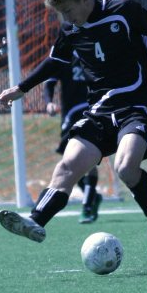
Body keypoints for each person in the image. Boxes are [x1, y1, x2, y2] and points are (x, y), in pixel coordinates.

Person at [0, 0, 147, 265]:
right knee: (68, 164)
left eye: (68, 10)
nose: (66, 18)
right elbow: (55, 62)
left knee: (126, 167)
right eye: (60, 13)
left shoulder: (122, 9)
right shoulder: (70, 28)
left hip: (137, 107)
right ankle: (36, 220)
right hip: (100, 111)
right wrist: (21, 88)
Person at [43, 56, 102, 223]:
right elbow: (49, 82)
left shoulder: (96, 49)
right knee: (70, 163)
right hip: (70, 115)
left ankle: (87, 205)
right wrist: (48, 102)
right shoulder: (63, 55)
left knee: (90, 157)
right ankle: (93, 197)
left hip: (94, 111)